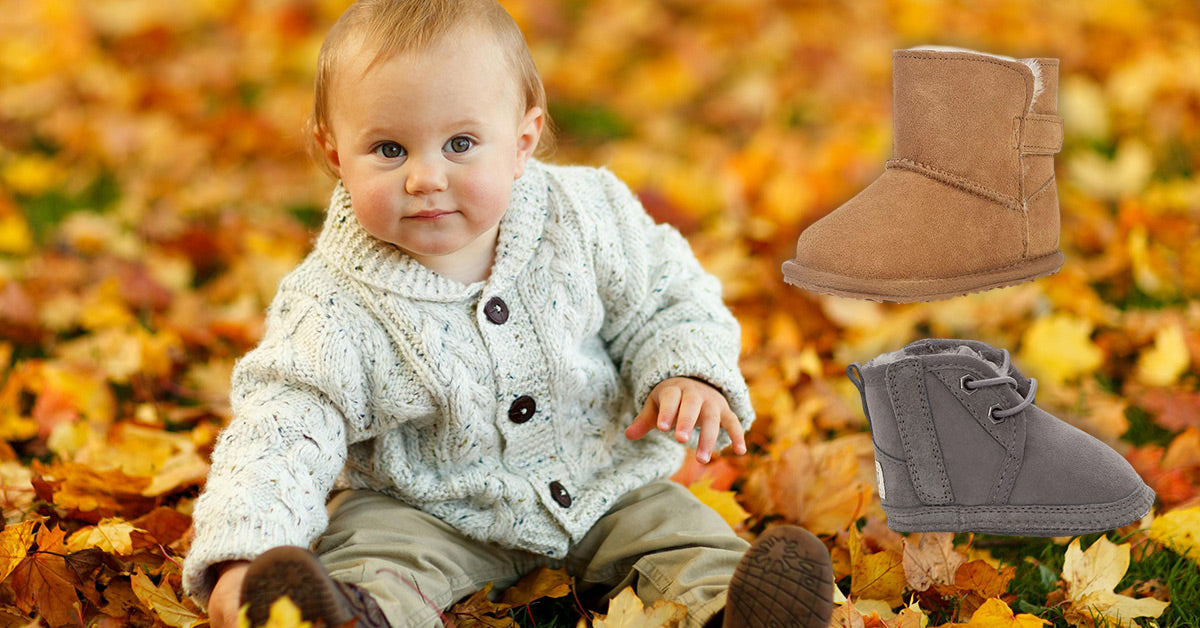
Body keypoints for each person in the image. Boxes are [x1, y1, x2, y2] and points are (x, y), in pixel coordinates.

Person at [181, 1, 834, 627]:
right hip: (426, 507)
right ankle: (343, 615)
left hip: (602, 478)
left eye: (461, 143)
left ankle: (734, 609)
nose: (425, 178)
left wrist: (686, 371)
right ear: (334, 155)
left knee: (682, 537)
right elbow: (284, 427)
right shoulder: (331, 303)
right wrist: (243, 555)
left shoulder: (583, 213)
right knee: (374, 558)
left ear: (522, 141)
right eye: (388, 150)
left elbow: (665, 295)